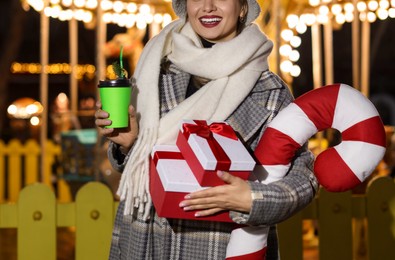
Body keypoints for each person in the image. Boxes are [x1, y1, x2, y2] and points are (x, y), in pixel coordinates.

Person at [95, 0, 318, 258]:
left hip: (217, 245)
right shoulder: (154, 71)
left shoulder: (269, 92)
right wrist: (128, 144)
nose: (208, 6)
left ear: (242, 6)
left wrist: (252, 198)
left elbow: (305, 178)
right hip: (144, 240)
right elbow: (137, 164)